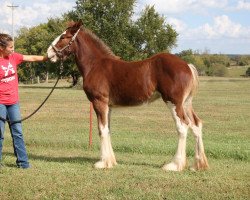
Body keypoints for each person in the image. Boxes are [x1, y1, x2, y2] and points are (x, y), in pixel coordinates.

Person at [0, 33, 47, 169]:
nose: (13, 50)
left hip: (13, 102)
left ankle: (23, 163)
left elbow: (31, 57)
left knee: (18, 132)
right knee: (0, 134)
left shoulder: (14, 57)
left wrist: (47, 58)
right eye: (10, 47)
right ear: (1, 47)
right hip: (0, 103)